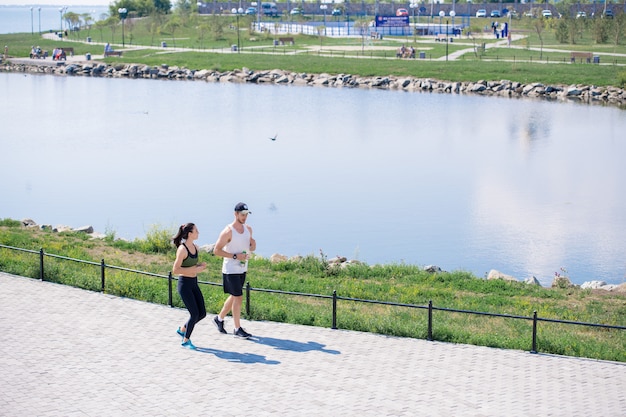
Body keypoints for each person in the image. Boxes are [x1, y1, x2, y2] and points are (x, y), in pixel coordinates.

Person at [213, 202, 256, 339]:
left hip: (243, 268)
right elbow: (216, 251)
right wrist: (236, 256)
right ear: (235, 214)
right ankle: (237, 328)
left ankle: (219, 319)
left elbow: (250, 247)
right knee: (238, 297)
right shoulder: (228, 231)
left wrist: (253, 245)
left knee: (234, 296)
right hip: (230, 270)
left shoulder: (248, 229)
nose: (244, 217)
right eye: (242, 214)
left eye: (246, 214)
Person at [172, 223, 208, 349]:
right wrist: (194, 269)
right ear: (190, 234)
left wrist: (200, 267)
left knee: (202, 313)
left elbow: (193, 267)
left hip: (194, 283)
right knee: (194, 314)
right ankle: (186, 340)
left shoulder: (195, 247)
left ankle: (182, 329)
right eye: (196, 231)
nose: (198, 233)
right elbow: (175, 270)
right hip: (185, 285)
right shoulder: (182, 250)